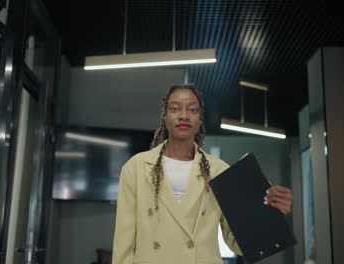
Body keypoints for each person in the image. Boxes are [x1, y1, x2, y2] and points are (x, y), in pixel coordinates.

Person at [112, 84, 293, 264]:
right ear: (164, 115)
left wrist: (269, 214)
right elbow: (124, 241)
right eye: (175, 109)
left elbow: (237, 243)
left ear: (200, 118)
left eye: (192, 109)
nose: (184, 115)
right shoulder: (136, 167)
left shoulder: (219, 170)